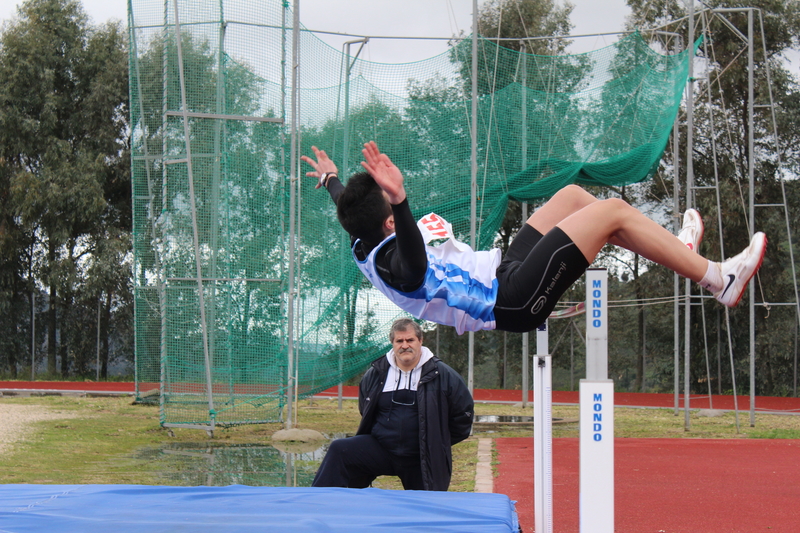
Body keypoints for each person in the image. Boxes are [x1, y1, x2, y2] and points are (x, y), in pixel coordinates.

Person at [301, 141, 767, 334]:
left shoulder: (359, 234)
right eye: (391, 210)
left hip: (501, 269)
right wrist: (400, 199)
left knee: (570, 196)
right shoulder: (394, 267)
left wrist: (331, 182)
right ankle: (717, 278)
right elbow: (414, 267)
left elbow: (349, 205)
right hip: (510, 300)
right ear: (388, 223)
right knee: (612, 213)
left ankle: (678, 254)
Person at [311, 318, 474, 491]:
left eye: (410, 340)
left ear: (420, 341)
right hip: (382, 449)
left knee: (425, 511)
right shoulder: (376, 374)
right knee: (340, 450)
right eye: (399, 341)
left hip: (421, 456)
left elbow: (463, 416)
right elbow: (365, 409)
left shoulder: (444, 375)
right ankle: (317, 505)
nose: (405, 345)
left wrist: (437, 441)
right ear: (392, 343)